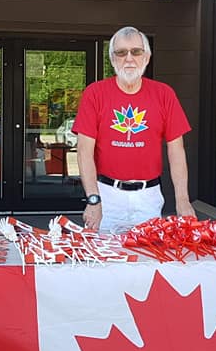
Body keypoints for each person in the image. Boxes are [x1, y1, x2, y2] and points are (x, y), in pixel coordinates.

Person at [73, 26, 195, 233]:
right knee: (106, 258)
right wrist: (93, 199)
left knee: (148, 257)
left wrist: (182, 200)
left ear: (146, 57)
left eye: (136, 52)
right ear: (112, 59)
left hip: (149, 197)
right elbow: (84, 151)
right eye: (121, 52)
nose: (129, 58)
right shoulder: (95, 93)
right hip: (107, 195)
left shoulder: (164, 94)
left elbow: (176, 150)